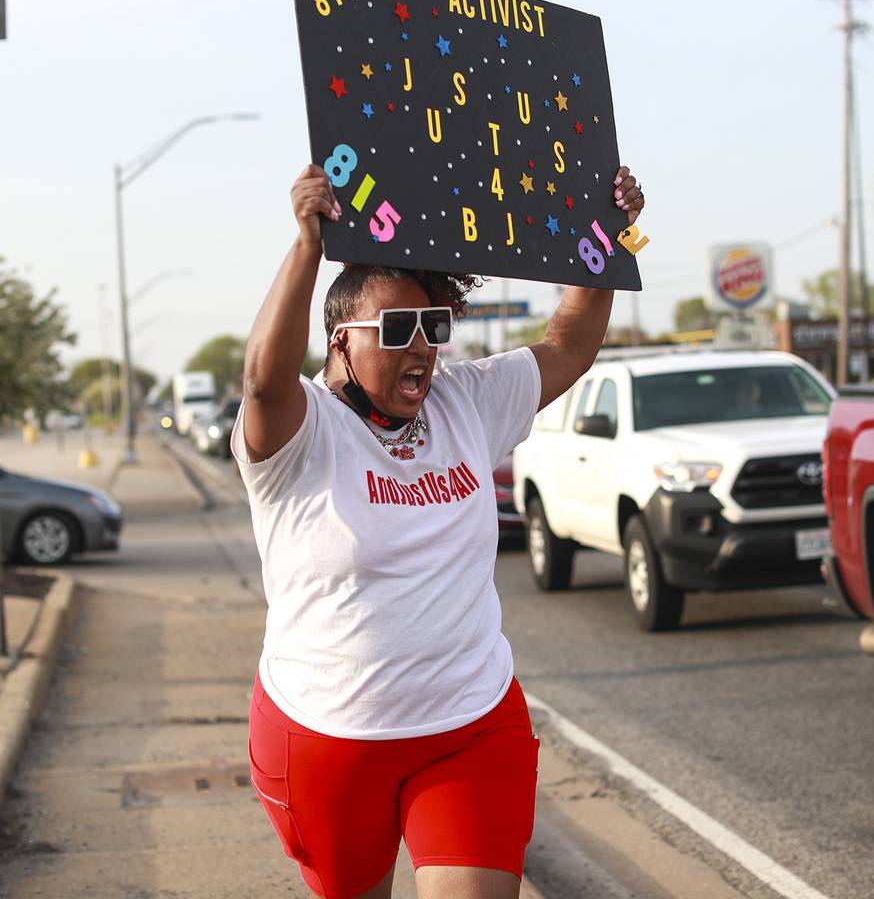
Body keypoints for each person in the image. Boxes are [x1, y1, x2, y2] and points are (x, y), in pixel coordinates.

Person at [234, 161, 645, 899]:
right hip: (327, 735)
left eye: (434, 327)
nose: (423, 346)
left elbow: (570, 343)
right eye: (398, 329)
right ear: (340, 342)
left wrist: (605, 239)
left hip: (469, 726)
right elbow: (262, 382)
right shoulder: (302, 429)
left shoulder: (467, 403)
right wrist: (305, 248)